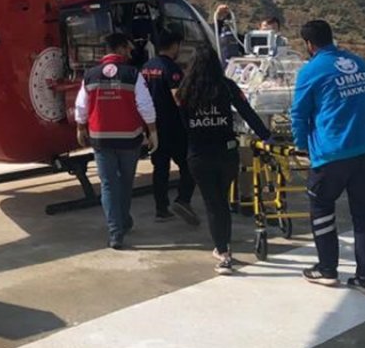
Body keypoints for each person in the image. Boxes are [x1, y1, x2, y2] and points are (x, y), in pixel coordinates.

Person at [291, 20, 365, 295]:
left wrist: (301, 145)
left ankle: (327, 269)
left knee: (321, 206)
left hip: (334, 149)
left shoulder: (311, 71)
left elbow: (299, 114)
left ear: (308, 45)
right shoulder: (359, 62)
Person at [177, 43, 271, 274]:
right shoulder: (227, 86)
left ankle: (223, 251)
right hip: (226, 153)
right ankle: (224, 249)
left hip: (199, 155)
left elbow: (182, 125)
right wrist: (266, 135)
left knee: (213, 204)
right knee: (221, 202)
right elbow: (247, 112)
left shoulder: (184, 90)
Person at [75, 33, 158, 250]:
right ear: (121, 49)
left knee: (108, 184)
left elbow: (81, 106)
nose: (130, 52)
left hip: (101, 138)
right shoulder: (133, 74)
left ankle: (116, 231)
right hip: (129, 139)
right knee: (125, 182)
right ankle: (122, 221)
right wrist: (152, 131)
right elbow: (145, 105)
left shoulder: (90, 75)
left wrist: (80, 127)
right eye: (128, 48)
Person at [140, 31, 199, 225]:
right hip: (174, 127)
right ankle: (183, 199)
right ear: (174, 45)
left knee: (160, 169)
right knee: (189, 166)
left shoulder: (146, 68)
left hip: (154, 127)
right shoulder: (171, 69)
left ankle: (161, 209)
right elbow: (178, 98)